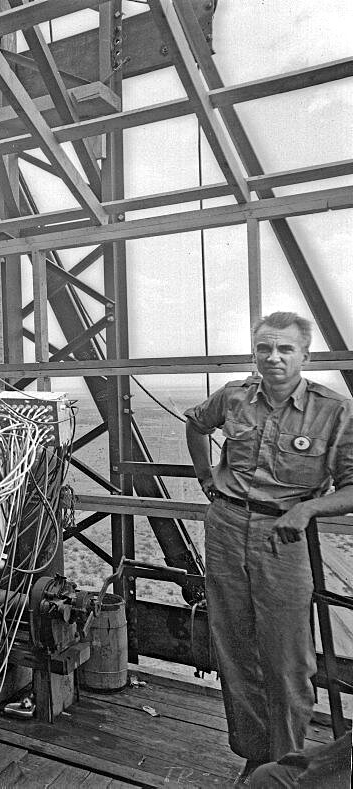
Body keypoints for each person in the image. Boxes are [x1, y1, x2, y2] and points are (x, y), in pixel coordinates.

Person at [184, 312, 353, 783]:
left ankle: (288, 766)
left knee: (286, 658)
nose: (273, 358)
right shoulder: (235, 396)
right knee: (234, 647)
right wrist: (204, 478)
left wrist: (306, 511)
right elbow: (196, 425)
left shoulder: (334, 410)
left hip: (283, 538)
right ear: (253, 353)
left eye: (284, 349)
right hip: (225, 526)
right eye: (264, 348)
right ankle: (255, 758)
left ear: (306, 356)